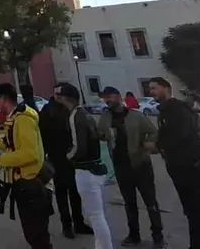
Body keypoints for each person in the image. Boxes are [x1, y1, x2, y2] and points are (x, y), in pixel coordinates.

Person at [0, 84, 52, 249]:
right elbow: (12, 144)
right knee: (34, 234)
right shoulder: (15, 118)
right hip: (24, 183)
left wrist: (2, 160)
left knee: (36, 235)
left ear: (4, 99)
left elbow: (29, 154)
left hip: (30, 184)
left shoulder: (23, 119)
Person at [149, 77, 200, 249]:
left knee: (195, 209)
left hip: (187, 166)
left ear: (166, 88)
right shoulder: (167, 110)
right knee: (192, 210)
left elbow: (178, 134)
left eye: (155, 88)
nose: (152, 92)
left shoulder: (175, 109)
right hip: (180, 166)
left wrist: (157, 145)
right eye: (151, 89)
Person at [98, 87, 164, 248]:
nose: (107, 100)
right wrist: (104, 136)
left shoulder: (136, 116)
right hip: (121, 166)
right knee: (129, 203)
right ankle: (134, 234)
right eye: (105, 98)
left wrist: (146, 145)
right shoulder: (105, 117)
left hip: (140, 164)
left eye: (110, 96)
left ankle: (158, 235)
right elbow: (100, 133)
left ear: (118, 97)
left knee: (150, 201)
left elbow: (153, 132)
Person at [59, 83, 113, 249]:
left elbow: (78, 146)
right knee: (98, 214)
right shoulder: (86, 114)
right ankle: (101, 245)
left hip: (85, 170)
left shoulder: (75, 116)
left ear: (65, 98)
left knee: (96, 216)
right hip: (95, 168)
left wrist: (67, 157)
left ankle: (105, 246)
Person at [39, 83, 92, 239]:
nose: (58, 95)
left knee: (75, 192)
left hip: (73, 157)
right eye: (56, 93)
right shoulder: (48, 111)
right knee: (61, 193)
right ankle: (66, 225)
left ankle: (79, 222)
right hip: (57, 157)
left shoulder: (71, 109)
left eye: (61, 93)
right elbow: (43, 135)